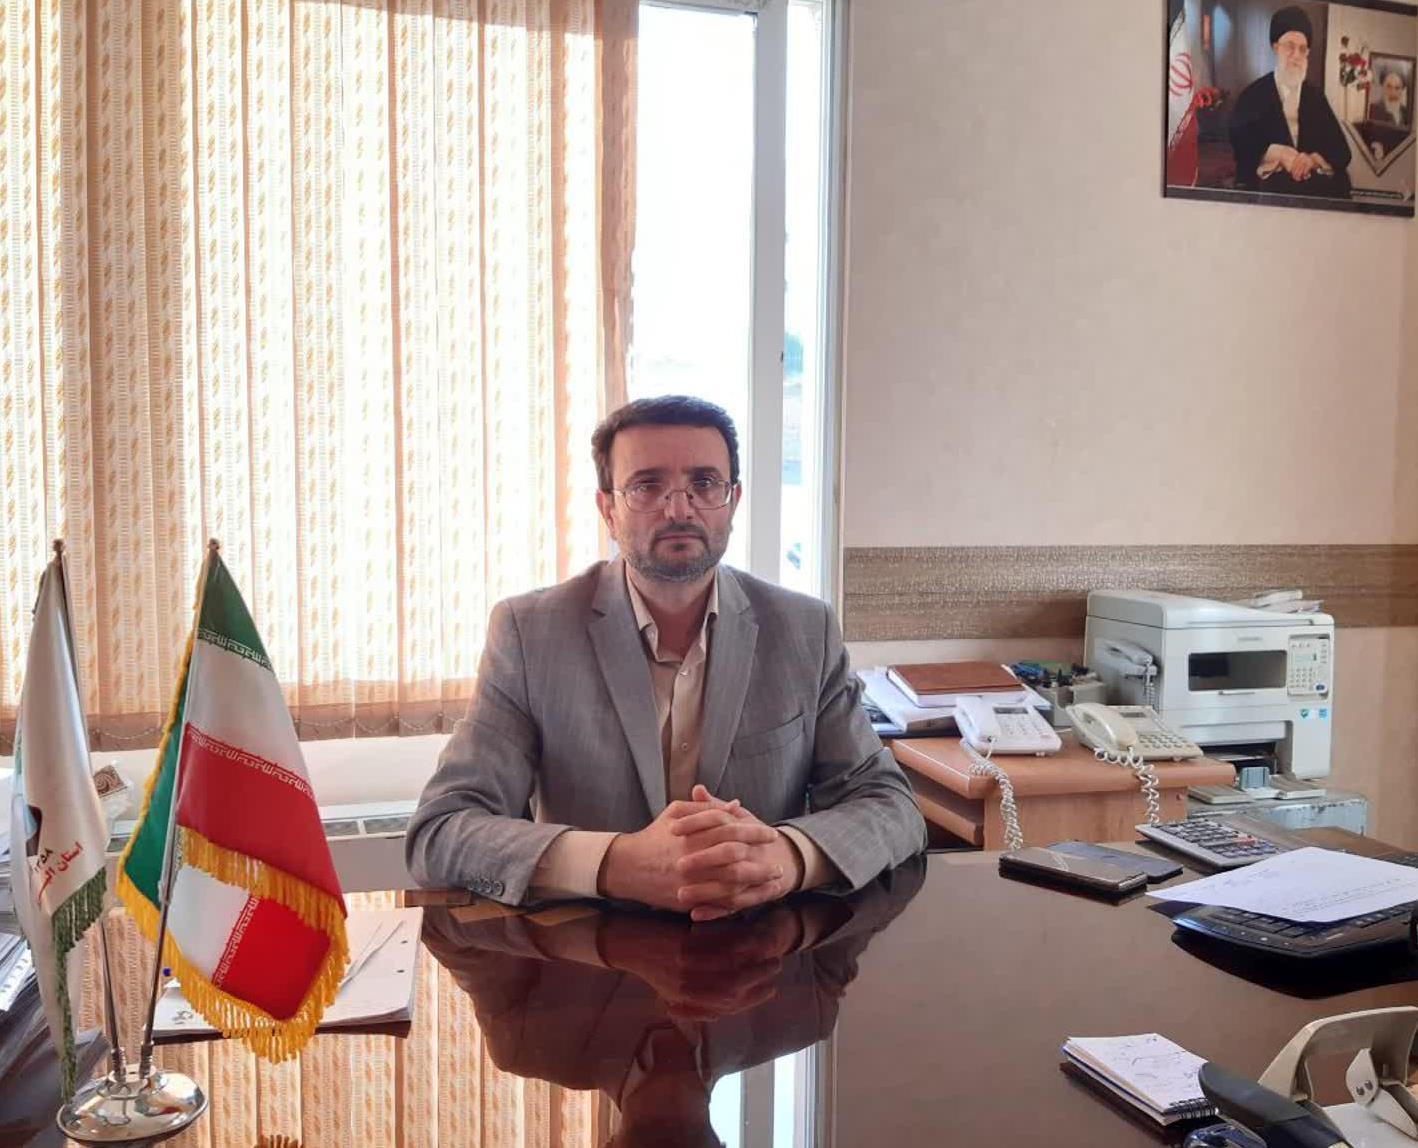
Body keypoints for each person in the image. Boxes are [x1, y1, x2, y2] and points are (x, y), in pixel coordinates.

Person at [405, 395, 925, 920]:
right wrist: (616, 863)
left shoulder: (804, 629)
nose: (679, 509)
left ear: (733, 501)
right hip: (587, 953)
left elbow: (891, 805)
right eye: (647, 486)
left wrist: (786, 857)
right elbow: (441, 832)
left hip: (764, 948)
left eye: (705, 483)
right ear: (608, 510)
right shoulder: (531, 632)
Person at [419, 857, 925, 1148]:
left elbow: (439, 920)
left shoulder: (533, 1045)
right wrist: (787, 920)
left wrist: (603, 942)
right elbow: (883, 889)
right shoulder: (797, 1020)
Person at [1229, 6, 1352, 197]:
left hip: (1313, 192)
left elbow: (1342, 152)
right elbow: (1240, 145)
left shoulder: (1315, 96)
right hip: (1268, 194)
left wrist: (1312, 160)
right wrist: (1277, 153)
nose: (1296, 56)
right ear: (1275, 47)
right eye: (1290, 46)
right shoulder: (1252, 95)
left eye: (1303, 49)